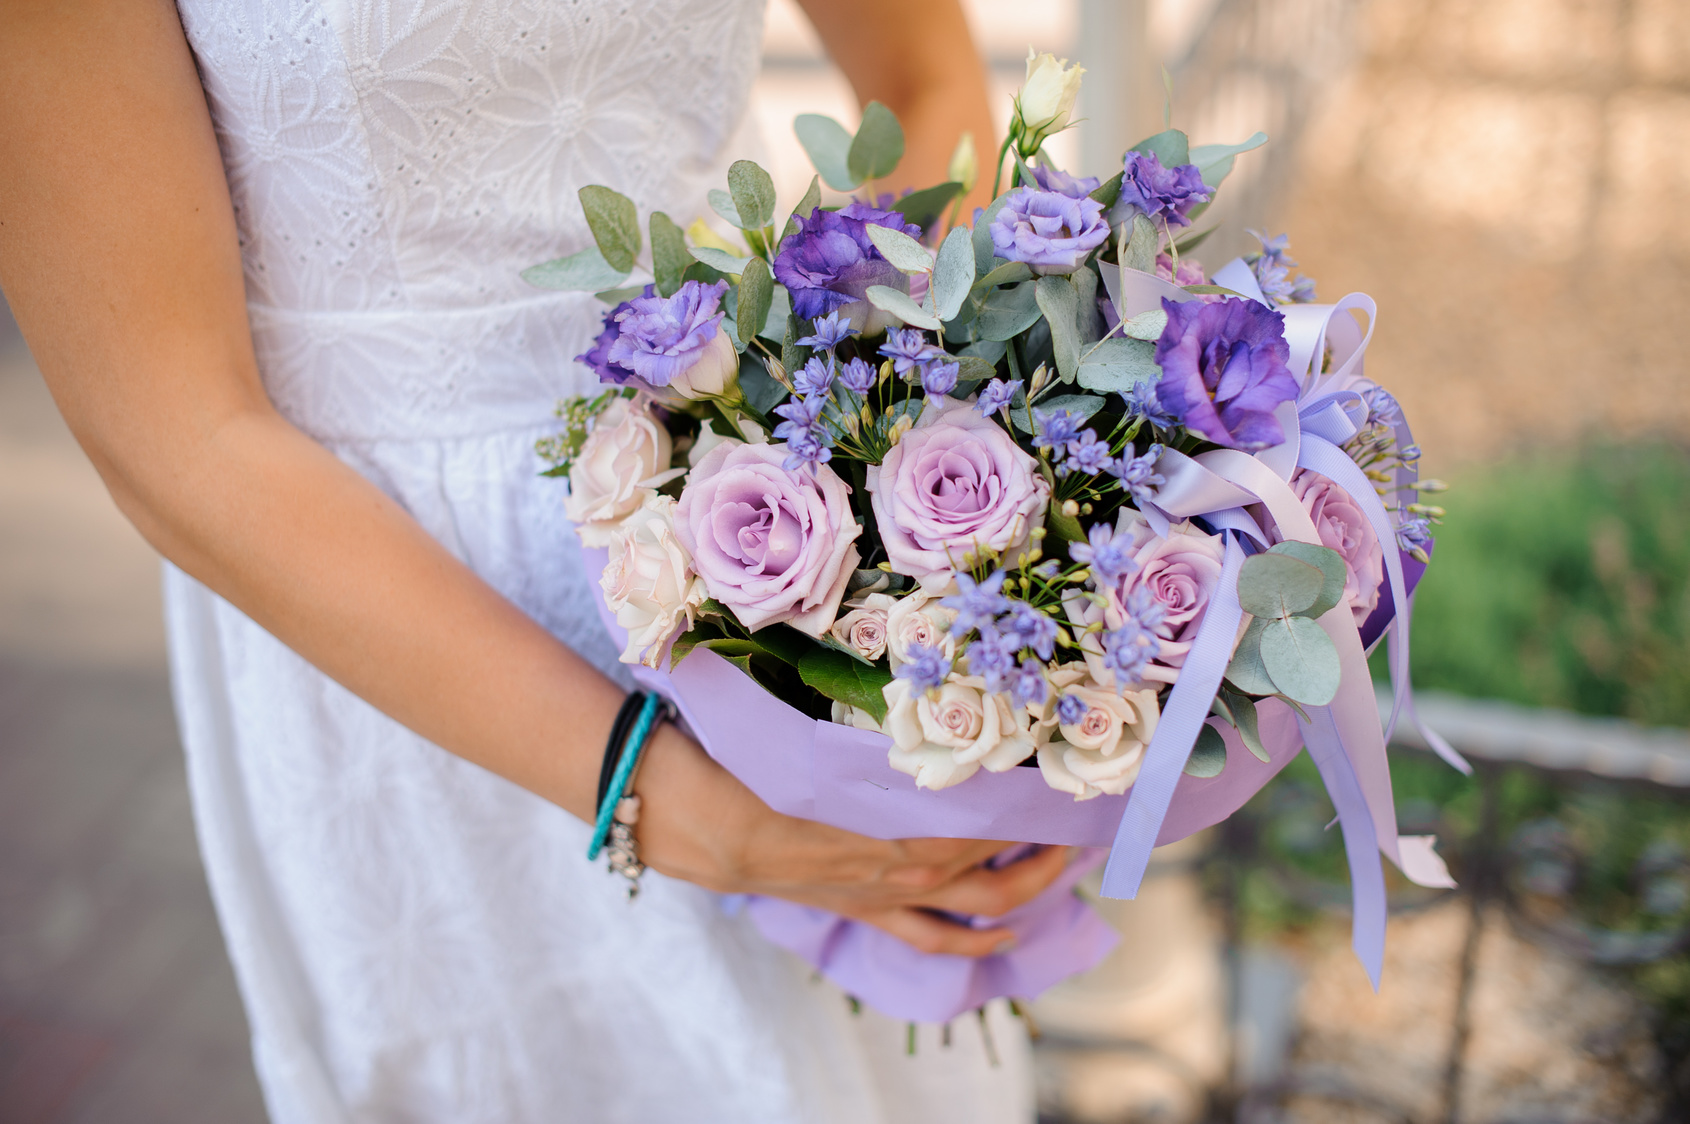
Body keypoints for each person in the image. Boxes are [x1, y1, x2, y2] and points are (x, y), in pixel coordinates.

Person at [0, 1, 1075, 1120]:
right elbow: (173, 434)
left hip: (775, 529)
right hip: (387, 624)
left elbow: (922, 74)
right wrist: (667, 801)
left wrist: (912, 469)